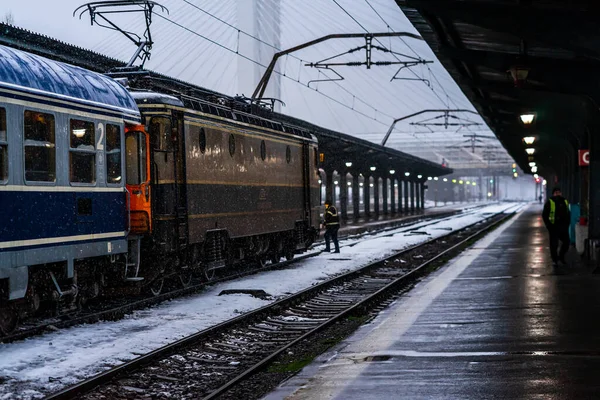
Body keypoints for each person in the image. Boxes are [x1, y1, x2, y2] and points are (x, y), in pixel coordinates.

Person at [542, 187, 570, 265]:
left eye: (559, 192)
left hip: (563, 227)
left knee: (567, 242)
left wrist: (567, 223)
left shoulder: (565, 201)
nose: (558, 194)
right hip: (553, 227)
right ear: (553, 194)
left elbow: (568, 213)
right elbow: (544, 215)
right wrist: (548, 225)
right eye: (556, 192)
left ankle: (561, 256)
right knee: (554, 245)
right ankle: (555, 260)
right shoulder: (550, 202)